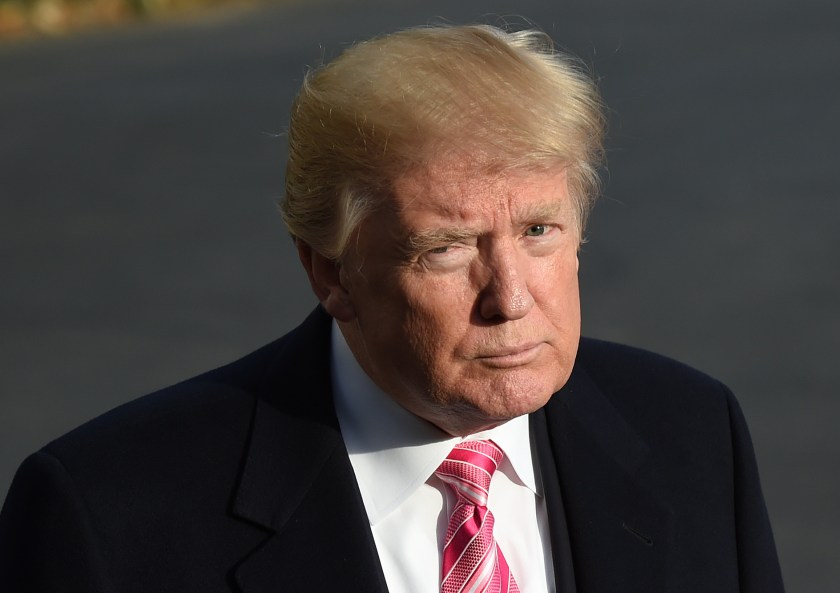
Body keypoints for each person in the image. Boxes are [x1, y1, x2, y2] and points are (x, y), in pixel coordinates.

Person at [0, 24, 784, 593]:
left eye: (538, 231)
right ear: (329, 271)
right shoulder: (107, 514)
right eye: (445, 248)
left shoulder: (689, 431)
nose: (510, 297)